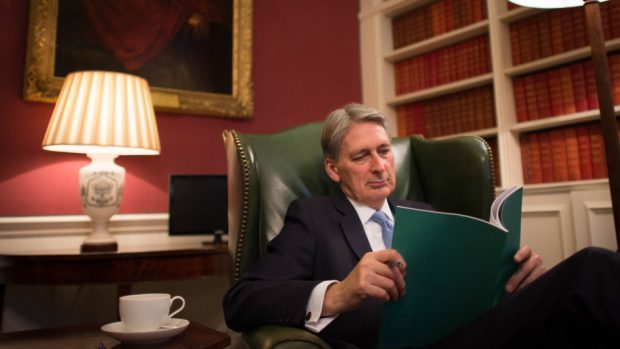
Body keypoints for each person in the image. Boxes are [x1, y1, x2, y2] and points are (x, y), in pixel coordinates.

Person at [223, 103, 620, 348]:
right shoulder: (313, 218)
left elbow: (466, 293)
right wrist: (338, 293)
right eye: (362, 156)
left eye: (384, 151)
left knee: (579, 294)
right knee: (593, 268)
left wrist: (511, 281)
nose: (379, 165)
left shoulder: (422, 210)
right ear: (333, 169)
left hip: (471, 333)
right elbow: (241, 301)